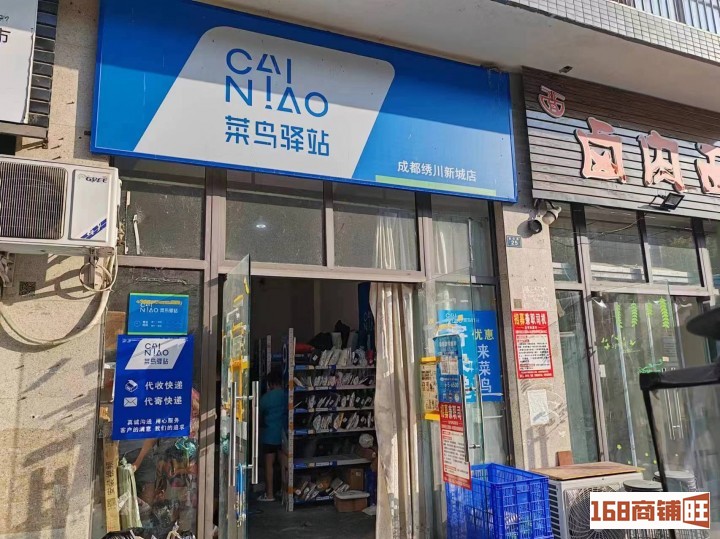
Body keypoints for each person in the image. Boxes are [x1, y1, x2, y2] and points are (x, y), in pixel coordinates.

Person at [258, 369, 285, 502]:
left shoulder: (266, 398)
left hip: (269, 435)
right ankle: (284, 491)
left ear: (270, 383)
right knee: (284, 464)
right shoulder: (286, 395)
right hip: (284, 435)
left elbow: (258, 414)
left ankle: (269, 494)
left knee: (269, 465)